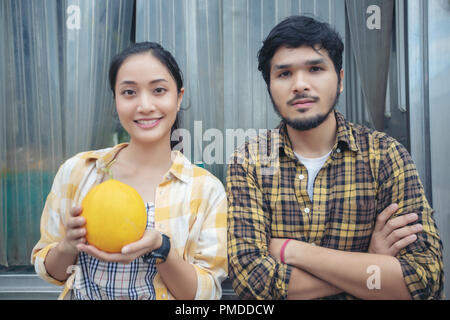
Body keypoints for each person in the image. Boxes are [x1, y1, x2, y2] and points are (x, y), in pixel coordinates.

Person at [226, 15, 444, 300]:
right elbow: (252, 283)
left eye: (315, 69)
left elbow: (424, 278)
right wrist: (369, 263)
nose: (300, 85)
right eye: (284, 74)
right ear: (269, 86)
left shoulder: (385, 156)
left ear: (340, 80)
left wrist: (293, 250)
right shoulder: (250, 162)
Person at [31, 42, 227, 300]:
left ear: (178, 98)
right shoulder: (78, 171)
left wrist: (162, 248)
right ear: (115, 99)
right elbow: (51, 272)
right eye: (129, 92)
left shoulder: (206, 190)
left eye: (158, 90)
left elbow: (205, 294)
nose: (144, 105)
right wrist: (67, 246)